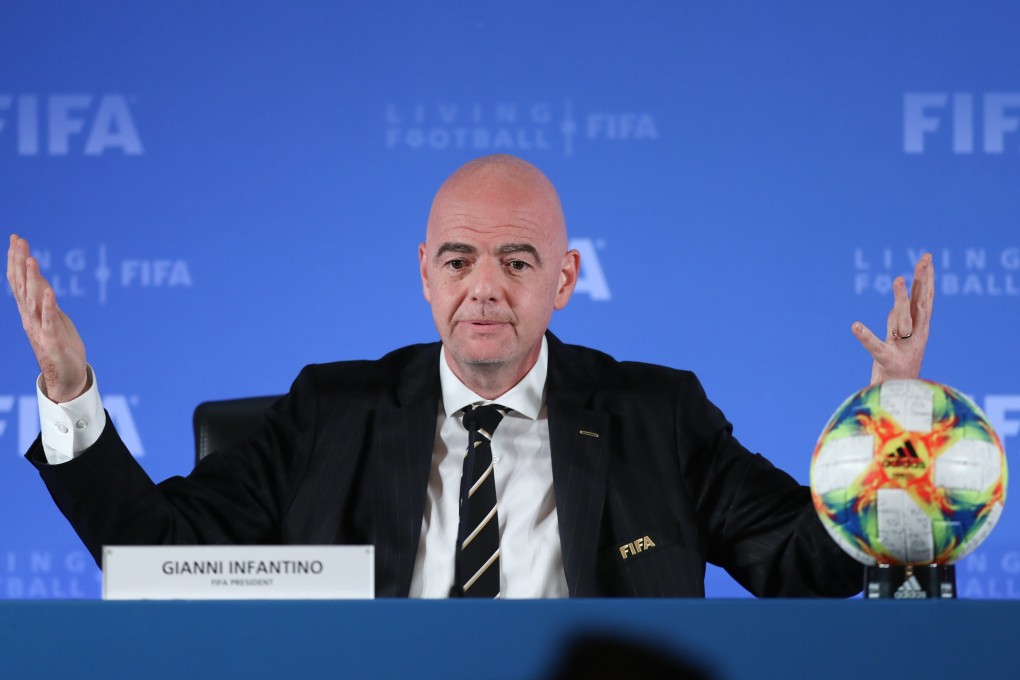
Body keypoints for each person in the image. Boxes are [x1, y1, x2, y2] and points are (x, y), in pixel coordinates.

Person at [7, 154, 934, 598]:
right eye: (458, 261)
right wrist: (69, 393)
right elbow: (158, 555)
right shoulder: (331, 414)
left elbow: (808, 564)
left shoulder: (658, 414)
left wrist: (896, 425)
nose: (483, 289)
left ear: (565, 280)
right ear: (424, 273)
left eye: (517, 262)